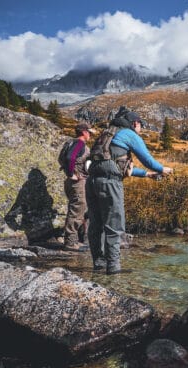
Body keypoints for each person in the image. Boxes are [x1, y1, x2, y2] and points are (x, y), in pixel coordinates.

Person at [86, 109, 173, 274]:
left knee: (96, 224)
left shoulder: (107, 133)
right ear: (135, 123)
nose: (141, 129)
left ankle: (99, 264)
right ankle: (113, 268)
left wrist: (147, 175)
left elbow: (115, 163)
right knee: (114, 224)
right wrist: (163, 169)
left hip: (92, 182)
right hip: (110, 184)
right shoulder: (129, 134)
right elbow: (148, 160)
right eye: (141, 125)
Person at [62, 122, 95, 251]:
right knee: (76, 211)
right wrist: (72, 174)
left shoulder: (69, 143)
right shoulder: (80, 143)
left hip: (72, 183)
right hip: (77, 183)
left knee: (76, 210)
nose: (90, 135)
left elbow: (64, 159)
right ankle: (70, 243)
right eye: (89, 133)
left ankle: (75, 239)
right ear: (84, 132)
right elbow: (71, 157)